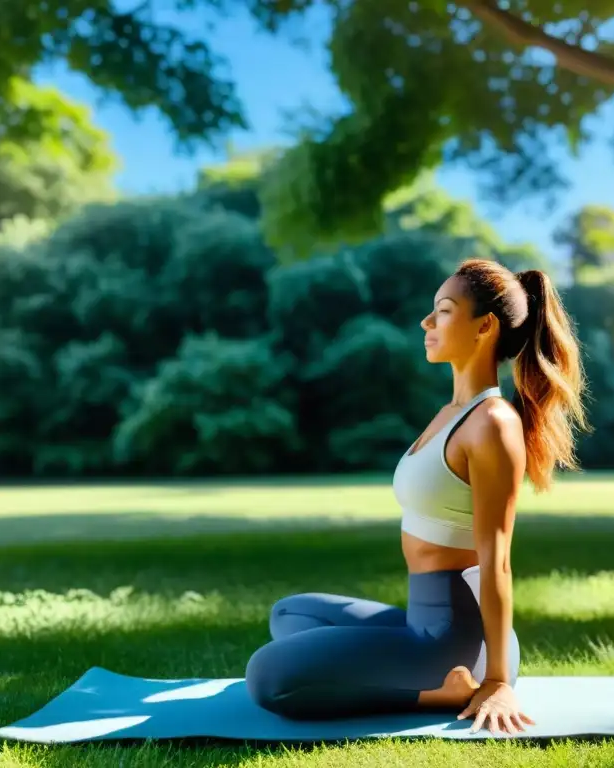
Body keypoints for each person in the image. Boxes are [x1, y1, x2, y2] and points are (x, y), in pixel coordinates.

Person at [245, 258, 589, 736]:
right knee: (290, 613)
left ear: (484, 326)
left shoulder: (493, 424)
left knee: (268, 678)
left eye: (444, 311)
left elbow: (497, 560)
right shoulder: (451, 413)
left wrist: (496, 681)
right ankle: (397, 664)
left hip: (458, 639)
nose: (427, 322)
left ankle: (444, 689)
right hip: (421, 618)